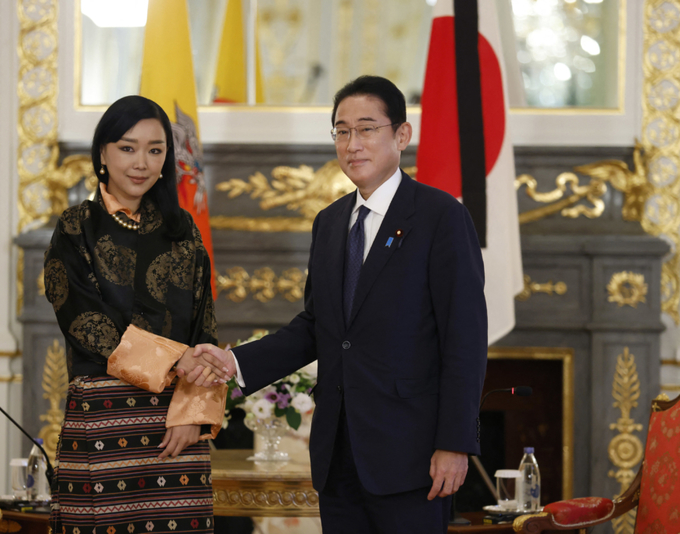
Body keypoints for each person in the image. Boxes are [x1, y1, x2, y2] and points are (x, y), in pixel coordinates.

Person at [192, 76, 488, 533]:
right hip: (337, 454)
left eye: (367, 128)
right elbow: (318, 328)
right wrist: (233, 361)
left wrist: (455, 443)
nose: (353, 143)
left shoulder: (441, 216)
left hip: (411, 457)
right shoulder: (330, 223)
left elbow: (464, 339)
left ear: (401, 135)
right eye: (342, 131)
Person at [44, 95, 227, 534]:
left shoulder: (184, 230)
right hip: (104, 422)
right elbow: (86, 325)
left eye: (155, 149)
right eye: (127, 148)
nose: (141, 162)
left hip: (178, 431)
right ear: (102, 153)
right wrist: (175, 361)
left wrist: (195, 413)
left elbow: (205, 329)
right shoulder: (76, 226)